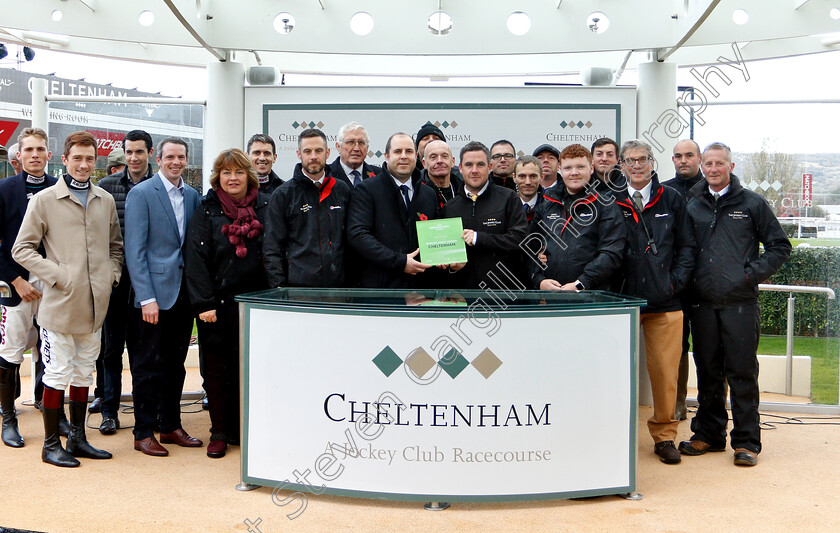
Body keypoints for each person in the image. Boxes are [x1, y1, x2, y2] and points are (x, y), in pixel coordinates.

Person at [12, 131, 122, 467]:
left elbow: (115, 247)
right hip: (60, 305)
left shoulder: (105, 200)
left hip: (94, 305)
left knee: (84, 373)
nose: (84, 164)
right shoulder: (44, 200)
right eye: (78, 158)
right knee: (57, 373)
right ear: (65, 159)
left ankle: (77, 438)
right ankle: (49, 445)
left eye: (90, 158)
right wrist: (58, 275)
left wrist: (109, 276)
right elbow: (22, 249)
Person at [679, 142, 791, 467]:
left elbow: (779, 246)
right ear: (702, 165)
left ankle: (746, 442)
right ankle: (709, 435)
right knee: (708, 372)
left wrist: (748, 276)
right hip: (701, 304)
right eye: (708, 163)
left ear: (730, 165)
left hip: (740, 303)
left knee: (742, 372)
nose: (713, 169)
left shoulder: (751, 203)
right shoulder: (692, 203)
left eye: (719, 163)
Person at [613, 140, 696, 464]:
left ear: (652, 163)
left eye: (642, 159)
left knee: (665, 375)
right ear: (621, 166)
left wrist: (673, 283)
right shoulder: (611, 200)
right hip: (621, 303)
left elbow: (688, 248)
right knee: (616, 373)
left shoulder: (672, 199)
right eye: (630, 160)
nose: (636, 165)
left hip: (665, 302)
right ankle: (614, 434)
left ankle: (664, 436)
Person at [185, 149, 268, 458]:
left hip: (256, 305)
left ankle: (245, 428)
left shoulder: (266, 205)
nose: (233, 178)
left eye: (238, 172)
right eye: (225, 173)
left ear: (249, 175)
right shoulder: (206, 210)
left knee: (252, 370)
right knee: (218, 372)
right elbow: (196, 260)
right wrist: (203, 303)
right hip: (216, 307)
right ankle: (219, 431)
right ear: (217, 177)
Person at [125, 137, 203, 457]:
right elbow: (135, 250)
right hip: (153, 299)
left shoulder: (193, 195)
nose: (176, 162)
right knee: (147, 366)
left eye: (181, 157)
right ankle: (143, 432)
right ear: (158, 159)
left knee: (176, 366)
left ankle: (170, 425)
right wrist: (146, 298)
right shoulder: (142, 193)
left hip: (183, 296)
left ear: (187, 160)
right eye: (169, 156)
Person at [0, 128, 59, 449]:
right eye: (29, 150)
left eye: (40, 149)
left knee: (51, 350)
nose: (35, 155)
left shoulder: (58, 188)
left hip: (52, 285)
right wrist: (16, 279)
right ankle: (8, 419)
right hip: (15, 284)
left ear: (49, 155)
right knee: (11, 350)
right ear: (19, 156)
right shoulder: (4, 190)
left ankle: (50, 408)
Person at [94, 129, 155, 434]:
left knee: (145, 352)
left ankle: (148, 413)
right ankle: (109, 410)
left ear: (150, 153)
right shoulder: (105, 187)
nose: (134, 158)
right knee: (110, 351)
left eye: (140, 152)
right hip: (115, 283)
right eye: (129, 152)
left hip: (148, 285)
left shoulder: (160, 187)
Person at [527, 144, 625, 291]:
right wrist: (539, 280)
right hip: (550, 296)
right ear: (560, 169)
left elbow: (611, 252)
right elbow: (530, 247)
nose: (574, 173)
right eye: (568, 168)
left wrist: (582, 283)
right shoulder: (547, 203)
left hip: (592, 297)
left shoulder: (605, 205)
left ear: (591, 168)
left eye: (580, 167)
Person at [348, 133, 438, 289]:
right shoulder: (367, 190)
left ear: (416, 156)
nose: (404, 156)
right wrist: (399, 262)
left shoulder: (428, 193)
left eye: (409, 151)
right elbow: (358, 235)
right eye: (398, 151)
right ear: (386, 156)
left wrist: (449, 259)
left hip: (422, 288)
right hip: (382, 290)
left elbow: (437, 236)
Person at [264, 128, 350, 288]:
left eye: (318, 150)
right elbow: (272, 248)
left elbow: (352, 241)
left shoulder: (342, 190)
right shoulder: (283, 194)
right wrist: (280, 290)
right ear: (298, 154)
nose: (313, 157)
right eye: (307, 151)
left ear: (328, 152)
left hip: (339, 291)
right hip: (298, 292)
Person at [440, 141, 528, 289]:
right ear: (460, 168)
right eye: (469, 165)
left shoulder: (509, 198)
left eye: (480, 164)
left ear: (490, 167)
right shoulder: (450, 208)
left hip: (504, 297)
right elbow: (445, 254)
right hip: (465, 298)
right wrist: (451, 267)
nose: (474, 170)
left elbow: (521, 240)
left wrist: (479, 238)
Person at [662, 138, 705, 422]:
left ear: (699, 158)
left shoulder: (712, 190)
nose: (683, 161)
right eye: (678, 156)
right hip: (674, 283)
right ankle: (678, 403)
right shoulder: (664, 191)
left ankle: (709, 405)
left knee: (708, 346)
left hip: (706, 283)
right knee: (677, 347)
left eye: (689, 155)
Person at [329, 122, 382, 188]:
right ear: (338, 147)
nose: (356, 149)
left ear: (367, 148)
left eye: (361, 142)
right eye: (350, 142)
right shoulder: (325, 175)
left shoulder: (380, 176)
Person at [419, 140, 463, 210]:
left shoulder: (463, 189)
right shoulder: (417, 192)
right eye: (433, 157)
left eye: (444, 156)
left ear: (452, 161)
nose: (439, 161)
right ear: (424, 164)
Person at [513, 155, 543, 222]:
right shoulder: (506, 205)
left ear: (542, 177)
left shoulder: (550, 205)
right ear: (514, 177)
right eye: (522, 176)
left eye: (533, 176)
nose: (528, 182)